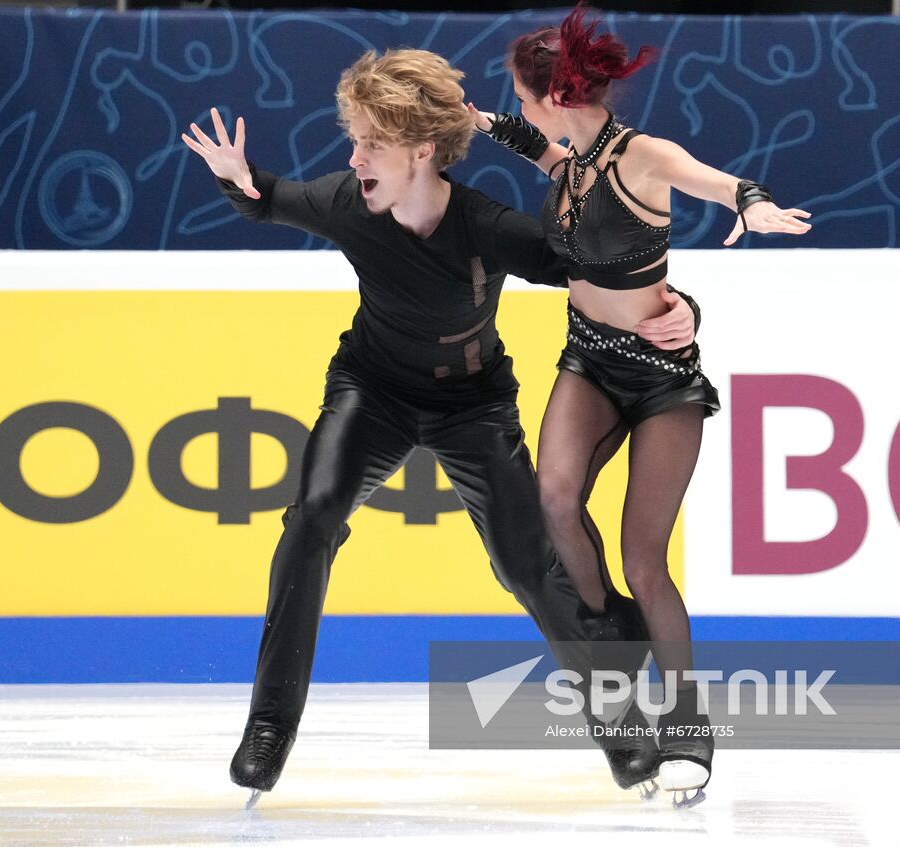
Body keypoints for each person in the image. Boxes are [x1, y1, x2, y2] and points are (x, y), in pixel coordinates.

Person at [181, 48, 700, 805]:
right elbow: (270, 198)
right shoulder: (345, 203)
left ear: (423, 150)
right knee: (310, 519)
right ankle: (268, 727)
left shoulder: (488, 226)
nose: (353, 156)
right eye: (354, 138)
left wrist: (677, 306)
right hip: (372, 391)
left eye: (371, 143)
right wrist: (238, 178)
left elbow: (599, 272)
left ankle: (626, 737)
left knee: (529, 568)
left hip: (474, 406)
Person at [470, 5, 812, 807]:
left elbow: (724, 183)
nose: (520, 109)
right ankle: (607, 632)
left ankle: (687, 727)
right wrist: (483, 123)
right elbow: (546, 157)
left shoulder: (643, 158)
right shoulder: (575, 163)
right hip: (590, 361)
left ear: (554, 94)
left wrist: (751, 205)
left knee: (644, 558)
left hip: (661, 378)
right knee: (552, 496)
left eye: (520, 97)